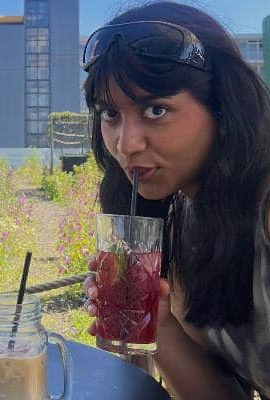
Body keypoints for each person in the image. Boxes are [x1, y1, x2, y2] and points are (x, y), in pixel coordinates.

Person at [81, 1, 270, 399]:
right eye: (110, 113)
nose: (126, 144)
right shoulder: (182, 213)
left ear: (223, 109)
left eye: (156, 109)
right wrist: (156, 323)